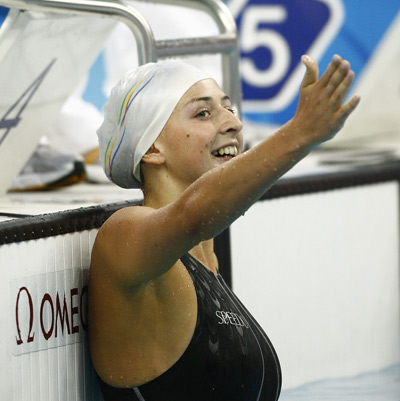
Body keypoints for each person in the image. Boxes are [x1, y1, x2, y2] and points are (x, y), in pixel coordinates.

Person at [89, 55, 360, 401]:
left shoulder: (208, 261)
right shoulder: (124, 237)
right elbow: (190, 216)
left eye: (228, 109)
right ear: (152, 148)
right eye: (203, 113)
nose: (234, 124)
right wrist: (300, 133)